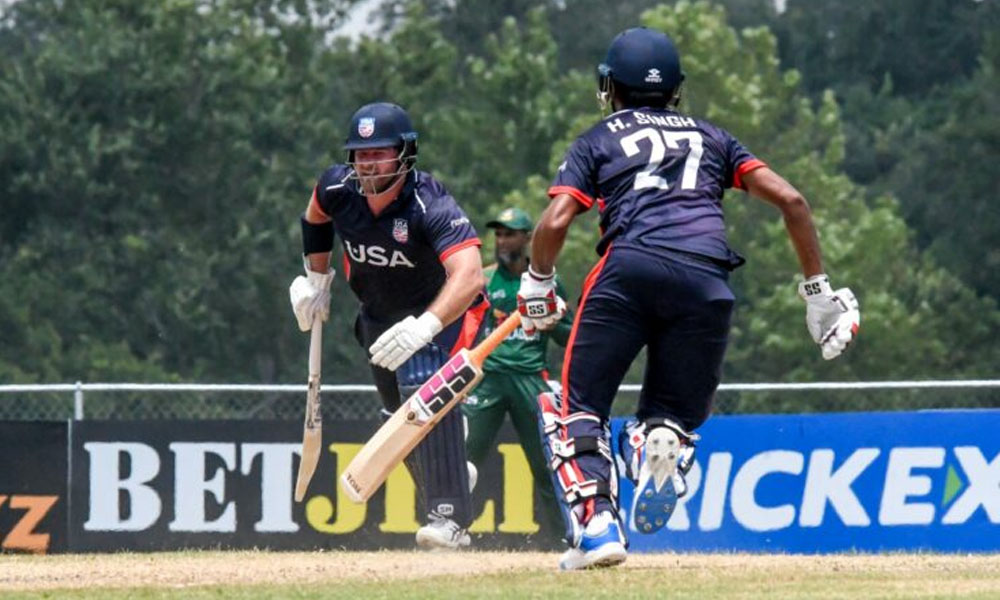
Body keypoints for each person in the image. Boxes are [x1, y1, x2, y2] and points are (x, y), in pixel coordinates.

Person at [515, 27, 861, 570]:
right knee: (671, 414)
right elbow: (793, 201)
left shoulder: (598, 138)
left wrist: (536, 281)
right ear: (675, 88)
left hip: (629, 268)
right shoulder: (715, 138)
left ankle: (599, 525)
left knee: (576, 407)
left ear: (611, 87)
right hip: (706, 278)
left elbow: (558, 218)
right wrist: (817, 293)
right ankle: (658, 436)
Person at [288, 101, 487, 550]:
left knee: (422, 394)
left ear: (404, 153)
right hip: (377, 315)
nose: (368, 163)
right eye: (361, 153)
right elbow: (315, 216)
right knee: (398, 420)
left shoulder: (429, 203)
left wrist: (426, 327)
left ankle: (450, 520)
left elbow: (470, 275)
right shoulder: (337, 187)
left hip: (443, 316)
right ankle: (454, 464)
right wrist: (316, 279)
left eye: (379, 152)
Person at [462, 207, 571, 541]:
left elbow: (569, 337)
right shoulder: (484, 278)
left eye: (510, 233)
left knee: (546, 467)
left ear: (527, 239)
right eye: (498, 233)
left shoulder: (546, 281)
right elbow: (465, 329)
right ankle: (450, 529)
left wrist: (553, 318)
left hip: (529, 379)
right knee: (463, 460)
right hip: (489, 376)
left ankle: (564, 540)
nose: (502, 240)